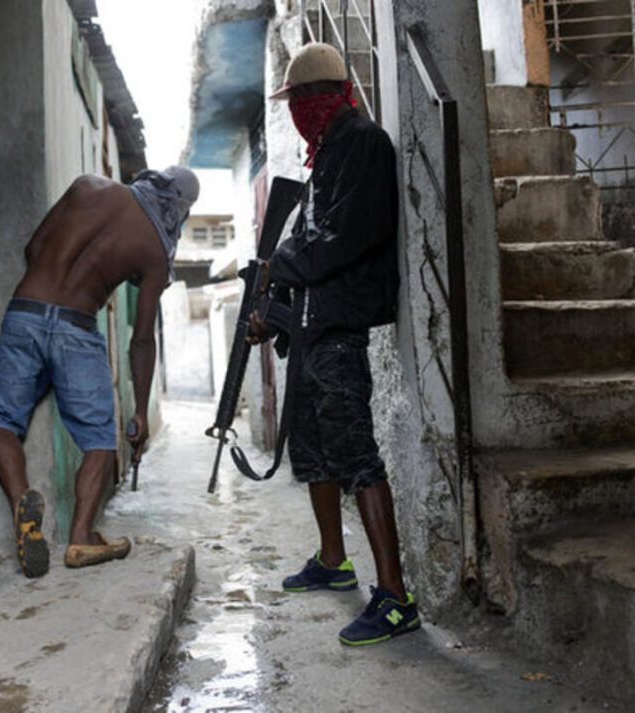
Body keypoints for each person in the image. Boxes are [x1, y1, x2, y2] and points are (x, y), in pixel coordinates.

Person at [249, 43, 419, 645]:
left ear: (323, 97)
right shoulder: (326, 155)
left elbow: (342, 237)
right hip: (314, 329)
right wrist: (270, 312)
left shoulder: (363, 145)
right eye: (290, 101)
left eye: (300, 99)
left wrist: (276, 264)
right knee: (316, 452)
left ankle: (396, 598)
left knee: (356, 456)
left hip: (342, 327)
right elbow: (311, 248)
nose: (295, 109)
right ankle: (332, 560)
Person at [0, 167, 199, 578]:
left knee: (1, 420)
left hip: (25, 311)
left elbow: (33, 248)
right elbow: (141, 340)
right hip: (77, 327)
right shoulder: (154, 249)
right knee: (99, 438)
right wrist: (138, 413)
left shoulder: (87, 185)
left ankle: (20, 506)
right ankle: (81, 537)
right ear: (179, 210)